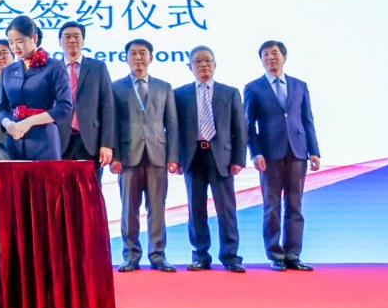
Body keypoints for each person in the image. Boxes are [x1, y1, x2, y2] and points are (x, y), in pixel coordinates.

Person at [244, 40, 321, 272]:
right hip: (269, 154)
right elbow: (249, 126)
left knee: (295, 205)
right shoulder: (254, 88)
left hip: (297, 152)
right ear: (261, 61)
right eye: (266, 55)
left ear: (284, 57)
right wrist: (255, 153)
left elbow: (307, 120)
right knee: (272, 207)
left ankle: (293, 254)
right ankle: (275, 254)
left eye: (275, 53)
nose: (271, 58)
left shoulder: (299, 85)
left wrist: (314, 151)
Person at [175, 46, 248, 272]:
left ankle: (231, 256)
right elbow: (174, 130)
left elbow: (240, 129)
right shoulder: (179, 94)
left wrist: (239, 159)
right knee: (196, 209)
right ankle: (200, 256)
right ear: (190, 67)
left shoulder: (230, 93)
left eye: (208, 61)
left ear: (215, 65)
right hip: (193, 157)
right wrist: (175, 158)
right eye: (198, 61)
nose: (203, 65)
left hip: (222, 158)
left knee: (226, 209)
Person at [111, 38, 179, 272]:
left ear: (151, 57)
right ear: (126, 58)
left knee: (157, 208)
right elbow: (112, 125)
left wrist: (173, 156)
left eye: (143, 53)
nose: (138, 57)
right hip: (127, 157)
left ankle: (158, 255)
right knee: (129, 209)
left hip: (157, 155)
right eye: (133, 53)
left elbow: (172, 124)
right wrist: (115, 156)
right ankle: (131, 255)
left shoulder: (164, 87)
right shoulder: (116, 87)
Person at [0, 15, 73, 161]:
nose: (15, 47)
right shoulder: (8, 71)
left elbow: (65, 107)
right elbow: (0, 108)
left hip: (44, 141)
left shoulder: (54, 67)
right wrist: (8, 123)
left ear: (34, 38)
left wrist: (29, 122)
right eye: (11, 42)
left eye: (20, 41)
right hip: (14, 140)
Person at [55, 22, 115, 177]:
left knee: (91, 189)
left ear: (83, 41)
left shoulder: (98, 68)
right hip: (59, 141)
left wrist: (107, 144)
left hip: (91, 142)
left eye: (76, 36)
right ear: (60, 42)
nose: (72, 40)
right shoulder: (52, 69)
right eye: (67, 36)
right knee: (61, 189)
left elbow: (108, 107)